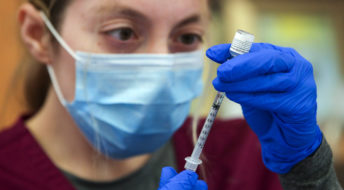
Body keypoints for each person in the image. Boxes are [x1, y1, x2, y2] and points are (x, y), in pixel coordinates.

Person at [0, 0, 342, 189]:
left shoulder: (249, 155)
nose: (163, 65)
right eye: (123, 31)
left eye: (188, 36)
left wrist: (309, 173)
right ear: (38, 35)